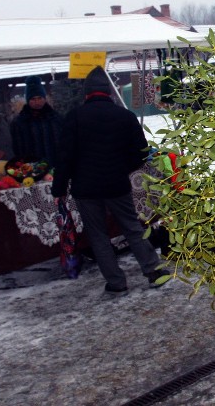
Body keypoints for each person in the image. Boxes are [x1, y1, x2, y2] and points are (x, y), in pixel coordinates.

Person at [52, 66, 164, 297]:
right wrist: (123, 168)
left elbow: (64, 156)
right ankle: (154, 271)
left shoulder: (74, 117)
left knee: (98, 236)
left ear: (87, 93)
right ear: (110, 93)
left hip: (86, 187)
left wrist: (59, 188)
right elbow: (142, 153)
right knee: (133, 229)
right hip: (116, 183)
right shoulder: (125, 116)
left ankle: (116, 283)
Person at [10, 76, 64, 168]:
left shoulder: (55, 118)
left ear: (44, 98)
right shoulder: (20, 122)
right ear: (28, 100)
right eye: (33, 99)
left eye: (40, 98)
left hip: (56, 166)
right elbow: (18, 148)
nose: (37, 102)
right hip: (33, 169)